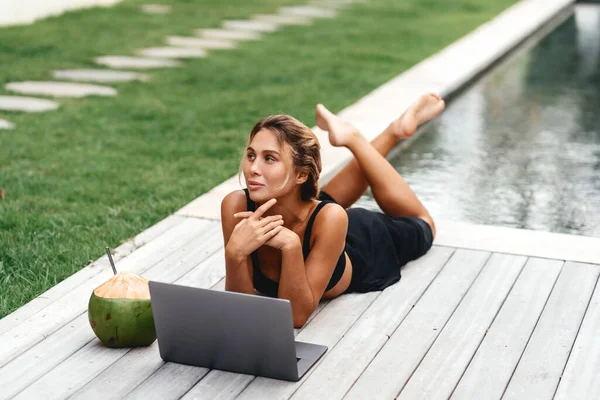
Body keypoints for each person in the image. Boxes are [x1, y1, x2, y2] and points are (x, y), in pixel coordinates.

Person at [221, 93, 445, 327]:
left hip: (365, 243)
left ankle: (370, 135)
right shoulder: (235, 206)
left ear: (301, 174)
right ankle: (374, 134)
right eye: (250, 155)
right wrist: (234, 253)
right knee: (320, 201)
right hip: (309, 219)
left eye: (269, 158)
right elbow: (240, 308)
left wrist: (291, 245)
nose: (253, 168)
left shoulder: (330, 218)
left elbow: (295, 316)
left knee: (424, 222)